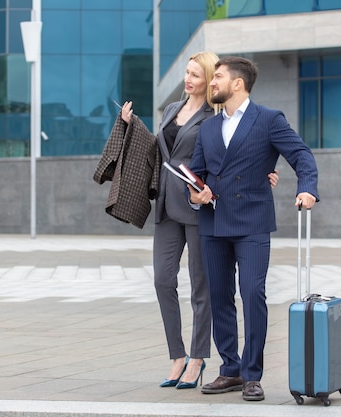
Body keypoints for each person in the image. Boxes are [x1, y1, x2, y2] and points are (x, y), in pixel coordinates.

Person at [120, 52, 279, 390]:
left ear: (211, 79)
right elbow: (159, 149)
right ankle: (176, 355)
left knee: (202, 288)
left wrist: (262, 172)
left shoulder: (215, 116)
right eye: (186, 73)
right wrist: (130, 127)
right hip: (166, 203)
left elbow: (232, 152)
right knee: (163, 280)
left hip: (200, 208)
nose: (187, 79)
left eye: (195, 74)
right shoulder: (172, 110)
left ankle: (197, 357)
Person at [188, 56, 319, 401]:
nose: (212, 83)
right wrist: (195, 194)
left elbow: (302, 155)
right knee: (219, 297)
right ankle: (229, 369)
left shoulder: (269, 119)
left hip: (252, 223)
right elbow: (197, 174)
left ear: (238, 83)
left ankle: (252, 374)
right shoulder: (208, 128)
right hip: (213, 221)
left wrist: (306, 188)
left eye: (218, 78)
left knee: (252, 293)